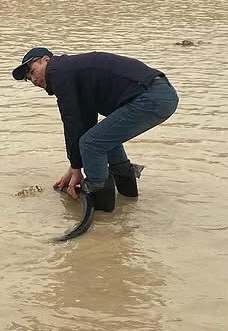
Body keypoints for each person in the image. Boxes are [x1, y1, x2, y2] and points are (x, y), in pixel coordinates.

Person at [12, 47, 179, 213]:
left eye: (33, 71)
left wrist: (77, 167)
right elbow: (83, 122)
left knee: (91, 143)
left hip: (151, 97)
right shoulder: (71, 72)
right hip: (160, 93)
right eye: (29, 78)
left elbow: (71, 120)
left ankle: (102, 213)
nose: (33, 80)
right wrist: (74, 166)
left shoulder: (58, 71)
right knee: (102, 139)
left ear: (46, 60)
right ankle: (128, 199)